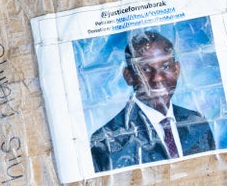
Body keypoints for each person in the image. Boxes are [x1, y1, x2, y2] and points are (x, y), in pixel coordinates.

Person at [90, 30, 215, 172]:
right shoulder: (106, 141)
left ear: (177, 69)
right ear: (128, 76)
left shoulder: (198, 124)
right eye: (145, 69)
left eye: (165, 66)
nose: (157, 78)